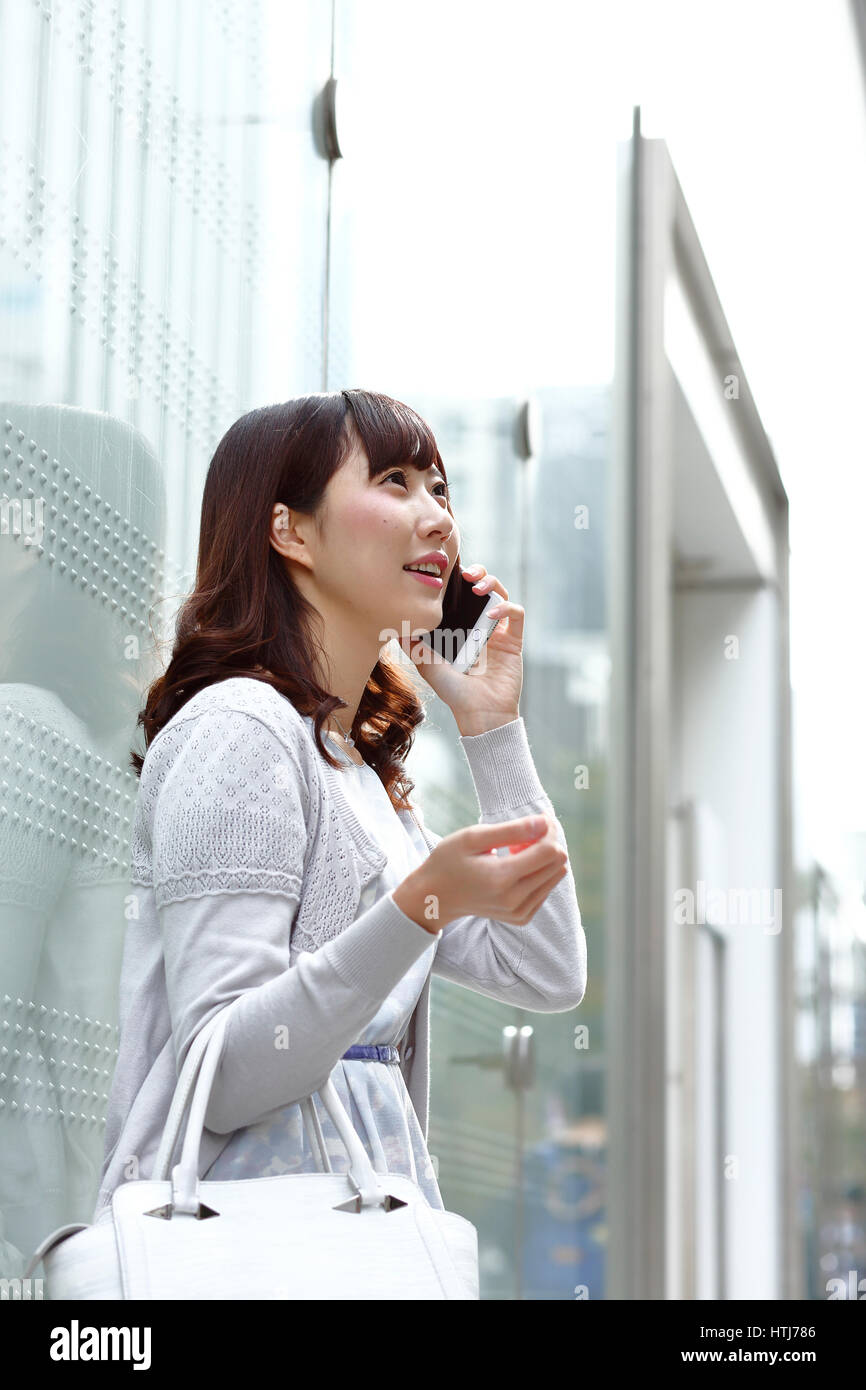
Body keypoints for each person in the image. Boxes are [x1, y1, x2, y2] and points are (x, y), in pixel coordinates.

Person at [93, 388, 586, 1228]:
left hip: (355, 1243)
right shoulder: (241, 731)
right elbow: (228, 1074)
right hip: (244, 1254)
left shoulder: (355, 771)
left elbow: (547, 968)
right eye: (393, 480)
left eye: (439, 488)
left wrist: (492, 728)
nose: (435, 518)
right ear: (290, 531)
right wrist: (421, 904)